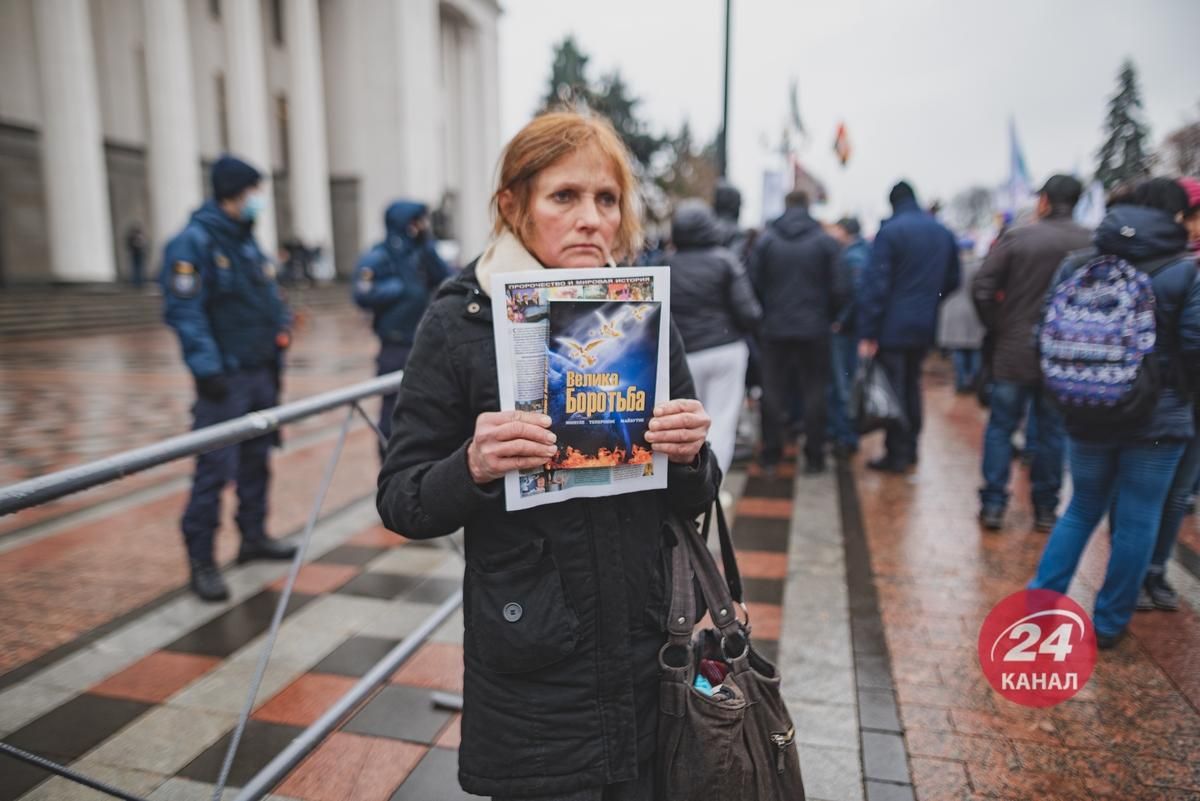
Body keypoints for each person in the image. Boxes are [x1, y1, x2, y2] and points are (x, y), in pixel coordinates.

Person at [376, 111, 719, 800]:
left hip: (649, 656)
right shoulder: (459, 320)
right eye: (564, 197)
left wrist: (689, 453)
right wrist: (472, 464)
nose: (592, 219)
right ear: (514, 205)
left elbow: (695, 491)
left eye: (607, 198)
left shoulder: (640, 313)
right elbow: (401, 497)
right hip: (533, 665)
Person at [1029, 178, 1200, 649]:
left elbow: (1041, 333)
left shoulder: (1079, 263)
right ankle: (1107, 623)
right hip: (1160, 418)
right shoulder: (1185, 270)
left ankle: (1040, 609)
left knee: (1082, 507)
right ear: (1174, 217)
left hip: (1089, 407)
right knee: (1140, 515)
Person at [161, 155, 297, 602]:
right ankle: (202, 560)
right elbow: (185, 310)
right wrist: (207, 369)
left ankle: (253, 536)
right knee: (214, 469)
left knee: (258, 459)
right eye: (253, 191)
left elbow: (268, 294)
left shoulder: (245, 242)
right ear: (235, 192)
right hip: (225, 379)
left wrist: (281, 326)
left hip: (260, 372)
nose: (258, 200)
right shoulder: (194, 242)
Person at [971, 175, 1091, 531]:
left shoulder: (1020, 237)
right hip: (1066, 353)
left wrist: (998, 325)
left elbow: (982, 287)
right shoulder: (1092, 241)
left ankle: (994, 503)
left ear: (1044, 201)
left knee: (1001, 426)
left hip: (1015, 348)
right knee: (1054, 431)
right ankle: (1044, 507)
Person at [857, 181, 961, 472]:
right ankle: (911, 446)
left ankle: (898, 453)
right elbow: (953, 280)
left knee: (895, 389)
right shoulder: (941, 231)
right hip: (925, 324)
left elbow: (875, 286)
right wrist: (930, 301)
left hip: (892, 325)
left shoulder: (890, 232)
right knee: (912, 385)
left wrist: (868, 331)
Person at [1138, 176, 1200, 611]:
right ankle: (1141, 572)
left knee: (1175, 492)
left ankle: (1154, 570)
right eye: (1192, 216)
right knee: (1148, 490)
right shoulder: (1176, 264)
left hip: (1180, 393)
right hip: (1174, 392)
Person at [748, 189, 841, 473]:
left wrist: (768, 311)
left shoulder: (767, 241)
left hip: (775, 327)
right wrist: (828, 316)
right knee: (815, 391)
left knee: (773, 392)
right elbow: (841, 287)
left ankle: (772, 455)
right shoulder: (825, 242)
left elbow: (753, 283)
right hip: (814, 328)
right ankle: (814, 457)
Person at [668, 198, 762, 475]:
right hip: (725, 349)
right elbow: (750, 312)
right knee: (722, 419)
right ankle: (713, 483)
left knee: (688, 421)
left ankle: (696, 479)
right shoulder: (726, 261)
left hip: (683, 353)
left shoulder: (665, 264)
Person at [352, 200, 451, 454]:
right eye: (417, 221)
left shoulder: (420, 253)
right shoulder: (380, 256)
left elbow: (446, 278)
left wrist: (428, 246)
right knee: (393, 411)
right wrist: (398, 290)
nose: (421, 226)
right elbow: (362, 293)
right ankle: (389, 460)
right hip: (395, 345)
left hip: (423, 342)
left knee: (429, 407)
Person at [828, 216, 870, 454]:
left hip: (845, 331)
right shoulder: (862, 252)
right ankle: (842, 432)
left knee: (842, 384)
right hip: (852, 329)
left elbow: (854, 294)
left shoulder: (853, 256)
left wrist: (840, 321)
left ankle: (846, 436)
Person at [938, 242, 985, 394]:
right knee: (975, 349)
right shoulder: (981, 265)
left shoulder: (950, 265)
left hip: (953, 311)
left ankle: (961, 382)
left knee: (958, 350)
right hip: (974, 311)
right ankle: (974, 382)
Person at [125, 223, 148, 288]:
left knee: (140, 269)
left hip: (140, 254)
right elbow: (128, 245)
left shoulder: (141, 237)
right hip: (135, 254)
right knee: (135, 269)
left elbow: (146, 245)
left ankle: (140, 282)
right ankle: (136, 282)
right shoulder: (132, 237)